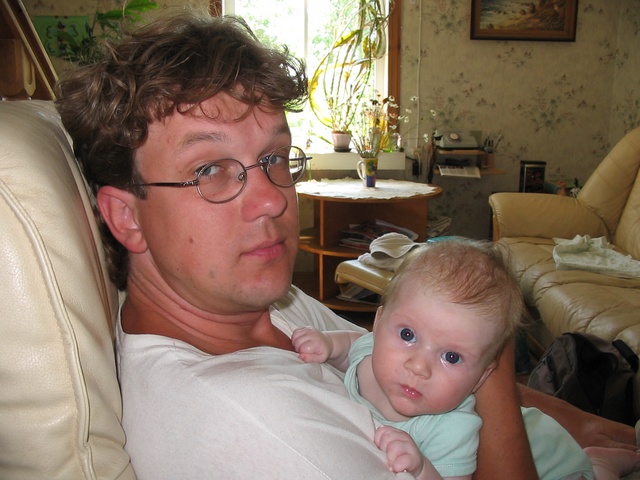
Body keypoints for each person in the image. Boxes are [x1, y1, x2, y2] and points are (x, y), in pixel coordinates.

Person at [53, 9, 638, 480]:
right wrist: (497, 353)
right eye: (209, 169)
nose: (273, 199)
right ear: (126, 217)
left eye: (274, 158)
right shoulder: (261, 428)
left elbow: (403, 369)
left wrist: (583, 426)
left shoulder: (258, 307)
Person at [293, 239, 640, 480]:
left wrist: (422, 468)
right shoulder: (372, 351)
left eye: (451, 356)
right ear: (379, 322)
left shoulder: (451, 429)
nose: (418, 366)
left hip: (552, 461)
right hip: (534, 426)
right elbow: (354, 345)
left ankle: (600, 464)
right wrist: (329, 344)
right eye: (408, 335)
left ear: (483, 377)